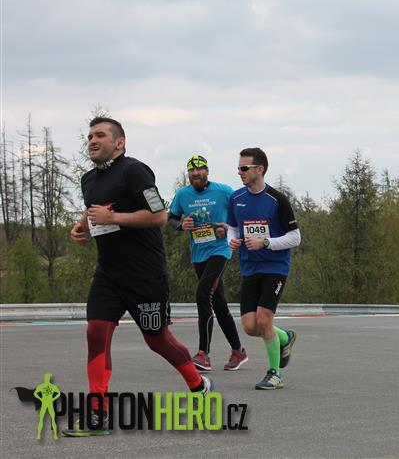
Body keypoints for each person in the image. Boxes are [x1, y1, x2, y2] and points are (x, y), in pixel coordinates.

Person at [64, 117, 212, 437]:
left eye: (100, 135)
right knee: (95, 333)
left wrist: (113, 217)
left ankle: (197, 384)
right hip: (108, 275)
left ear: (119, 142)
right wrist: (82, 226)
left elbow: (159, 216)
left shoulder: (135, 171)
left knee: (157, 340)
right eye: (89, 136)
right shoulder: (89, 178)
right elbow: (95, 209)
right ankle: (98, 413)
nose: (92, 141)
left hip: (145, 275)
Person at [225, 148, 299, 390]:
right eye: (238, 168)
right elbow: (232, 228)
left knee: (264, 319)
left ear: (260, 169)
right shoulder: (236, 198)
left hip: (275, 266)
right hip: (249, 267)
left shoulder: (277, 200)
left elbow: (295, 237)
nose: (240, 172)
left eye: (244, 168)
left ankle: (275, 374)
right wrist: (231, 240)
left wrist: (265, 242)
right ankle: (284, 337)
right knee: (250, 326)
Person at [168, 154, 248, 370]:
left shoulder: (224, 191)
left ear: (207, 171)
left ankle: (203, 354)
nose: (195, 173)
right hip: (199, 253)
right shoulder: (183, 194)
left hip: (220, 250)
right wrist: (181, 225)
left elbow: (242, 213)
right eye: (191, 170)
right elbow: (171, 218)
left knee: (203, 293)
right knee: (218, 303)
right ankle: (238, 351)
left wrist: (228, 229)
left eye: (200, 169)